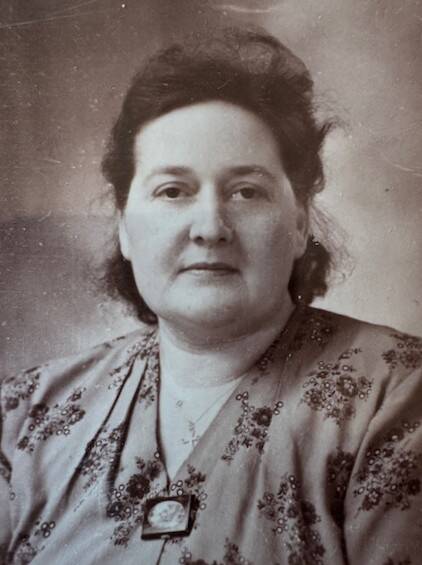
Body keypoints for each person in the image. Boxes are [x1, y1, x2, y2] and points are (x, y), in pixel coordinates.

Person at [1, 27, 421, 565]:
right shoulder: (25, 415)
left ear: (298, 224)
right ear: (124, 226)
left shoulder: (395, 398)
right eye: (172, 191)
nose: (209, 228)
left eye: (246, 191)